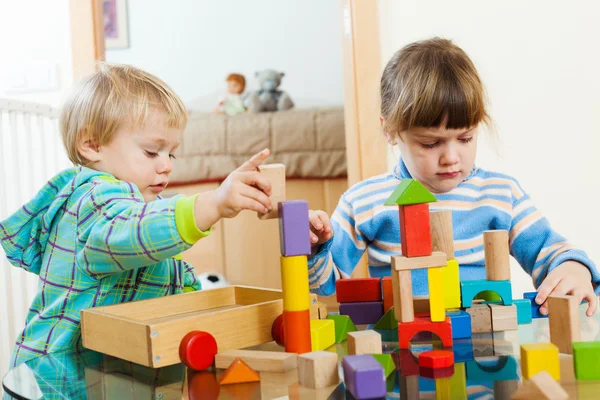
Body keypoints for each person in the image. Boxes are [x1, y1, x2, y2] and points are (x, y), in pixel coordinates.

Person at [0, 64, 274, 366]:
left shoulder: (124, 204)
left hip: (105, 368)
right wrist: (212, 204)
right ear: (92, 145)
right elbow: (131, 234)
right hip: (61, 375)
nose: (167, 165)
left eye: (171, 153)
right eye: (151, 152)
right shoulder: (94, 200)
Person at [307, 37, 599, 317]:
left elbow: (550, 252)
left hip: (484, 348)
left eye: (465, 138)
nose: (451, 157)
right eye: (431, 143)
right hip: (402, 346)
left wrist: (573, 268)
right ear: (390, 131)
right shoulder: (364, 201)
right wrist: (316, 247)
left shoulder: (500, 194)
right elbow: (325, 284)